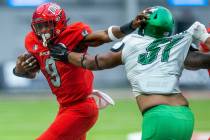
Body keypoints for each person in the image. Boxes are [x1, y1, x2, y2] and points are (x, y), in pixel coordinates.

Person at [49, 6, 210, 140]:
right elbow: (202, 61)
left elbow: (96, 62)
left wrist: (66, 55)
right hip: (185, 117)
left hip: (159, 117)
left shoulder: (133, 42)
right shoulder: (176, 45)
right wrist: (205, 37)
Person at [13, 2, 147, 140]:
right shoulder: (32, 40)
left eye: (47, 25)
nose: (42, 31)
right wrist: (18, 69)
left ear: (59, 23)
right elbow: (30, 73)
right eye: (39, 26)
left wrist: (130, 26)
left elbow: (103, 35)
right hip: (64, 107)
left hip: (81, 108)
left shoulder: (73, 34)